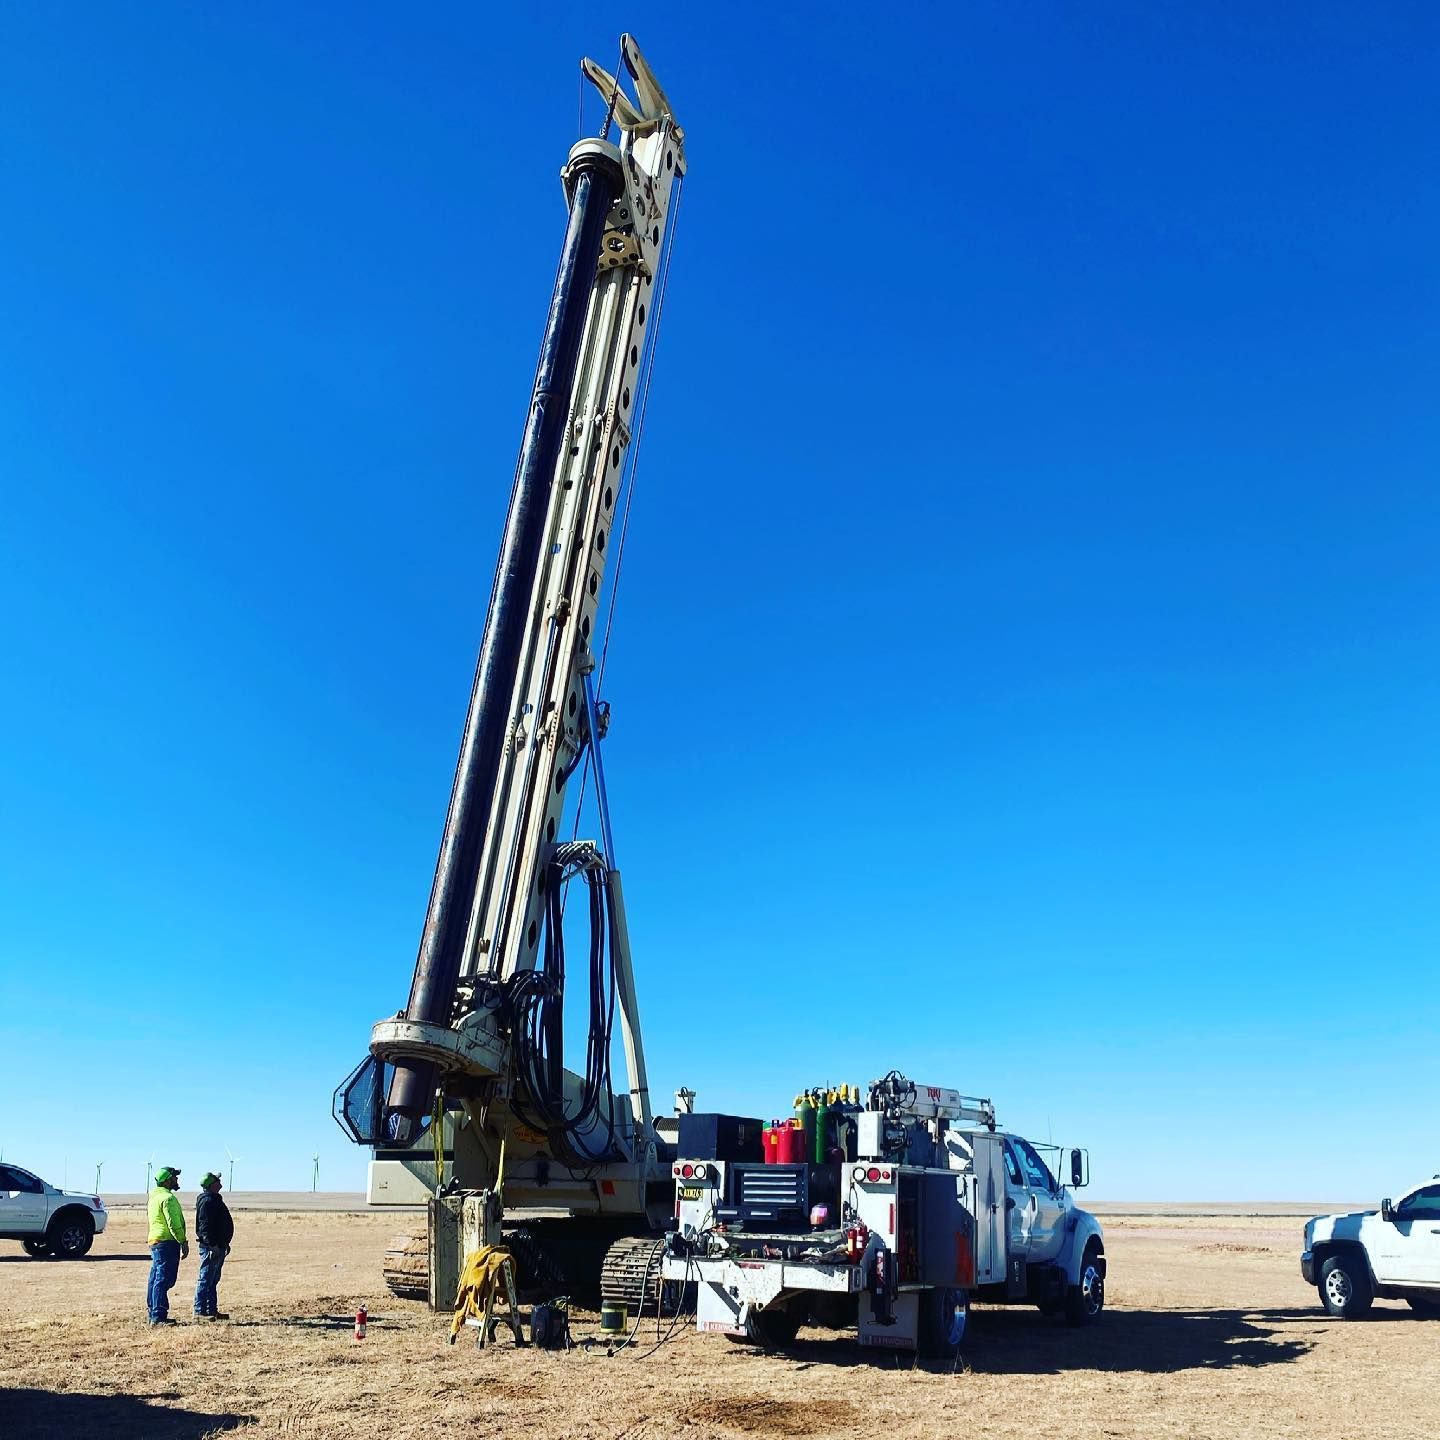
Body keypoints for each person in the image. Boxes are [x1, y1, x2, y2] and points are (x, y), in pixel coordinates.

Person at [146, 1165, 188, 1326]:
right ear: (168, 1180)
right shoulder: (168, 1199)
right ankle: (158, 1316)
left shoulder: (153, 1198)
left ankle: (153, 1312)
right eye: (175, 1177)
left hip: (155, 1241)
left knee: (155, 1278)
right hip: (167, 1242)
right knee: (163, 1279)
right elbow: (173, 1223)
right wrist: (183, 1241)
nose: (177, 1179)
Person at [193, 1171, 234, 1320]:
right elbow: (205, 1227)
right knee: (205, 1278)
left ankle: (211, 1310)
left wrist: (224, 1243)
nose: (220, 1182)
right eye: (217, 1180)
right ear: (212, 1184)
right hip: (211, 1247)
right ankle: (199, 1311)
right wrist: (212, 1245)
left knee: (213, 1279)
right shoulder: (207, 1201)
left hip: (219, 1245)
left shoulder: (214, 1199)